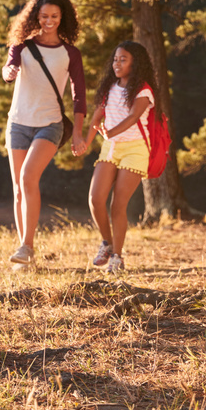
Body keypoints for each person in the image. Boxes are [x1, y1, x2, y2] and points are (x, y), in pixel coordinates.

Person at [1, 0, 86, 265]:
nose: (49, 21)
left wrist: (78, 132)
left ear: (63, 18)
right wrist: (9, 73)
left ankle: (27, 247)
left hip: (50, 124)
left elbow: (79, 96)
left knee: (28, 178)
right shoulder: (22, 46)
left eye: (54, 17)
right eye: (44, 16)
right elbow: (8, 68)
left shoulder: (70, 53)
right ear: (35, 16)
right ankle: (24, 248)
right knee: (18, 188)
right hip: (18, 123)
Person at [74, 40, 158, 274]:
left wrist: (112, 132)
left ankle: (118, 257)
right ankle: (107, 243)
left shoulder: (143, 90)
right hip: (110, 147)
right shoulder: (109, 88)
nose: (117, 64)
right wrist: (85, 142)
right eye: (115, 59)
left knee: (118, 205)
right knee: (95, 199)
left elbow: (133, 117)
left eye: (123, 59)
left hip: (135, 149)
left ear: (135, 63)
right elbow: (96, 118)